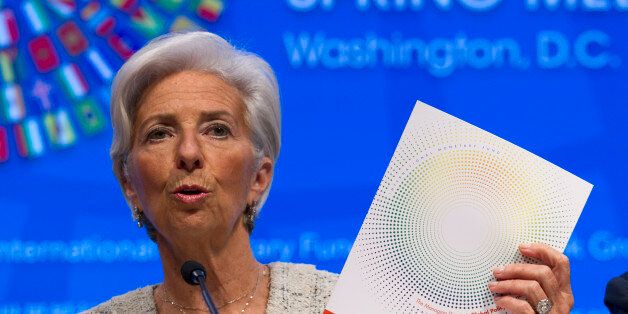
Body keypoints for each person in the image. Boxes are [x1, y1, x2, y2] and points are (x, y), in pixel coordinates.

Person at [85, 31, 575, 313]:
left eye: (216, 130)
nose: (188, 153)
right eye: (158, 134)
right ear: (129, 182)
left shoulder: (355, 307)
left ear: (260, 176)